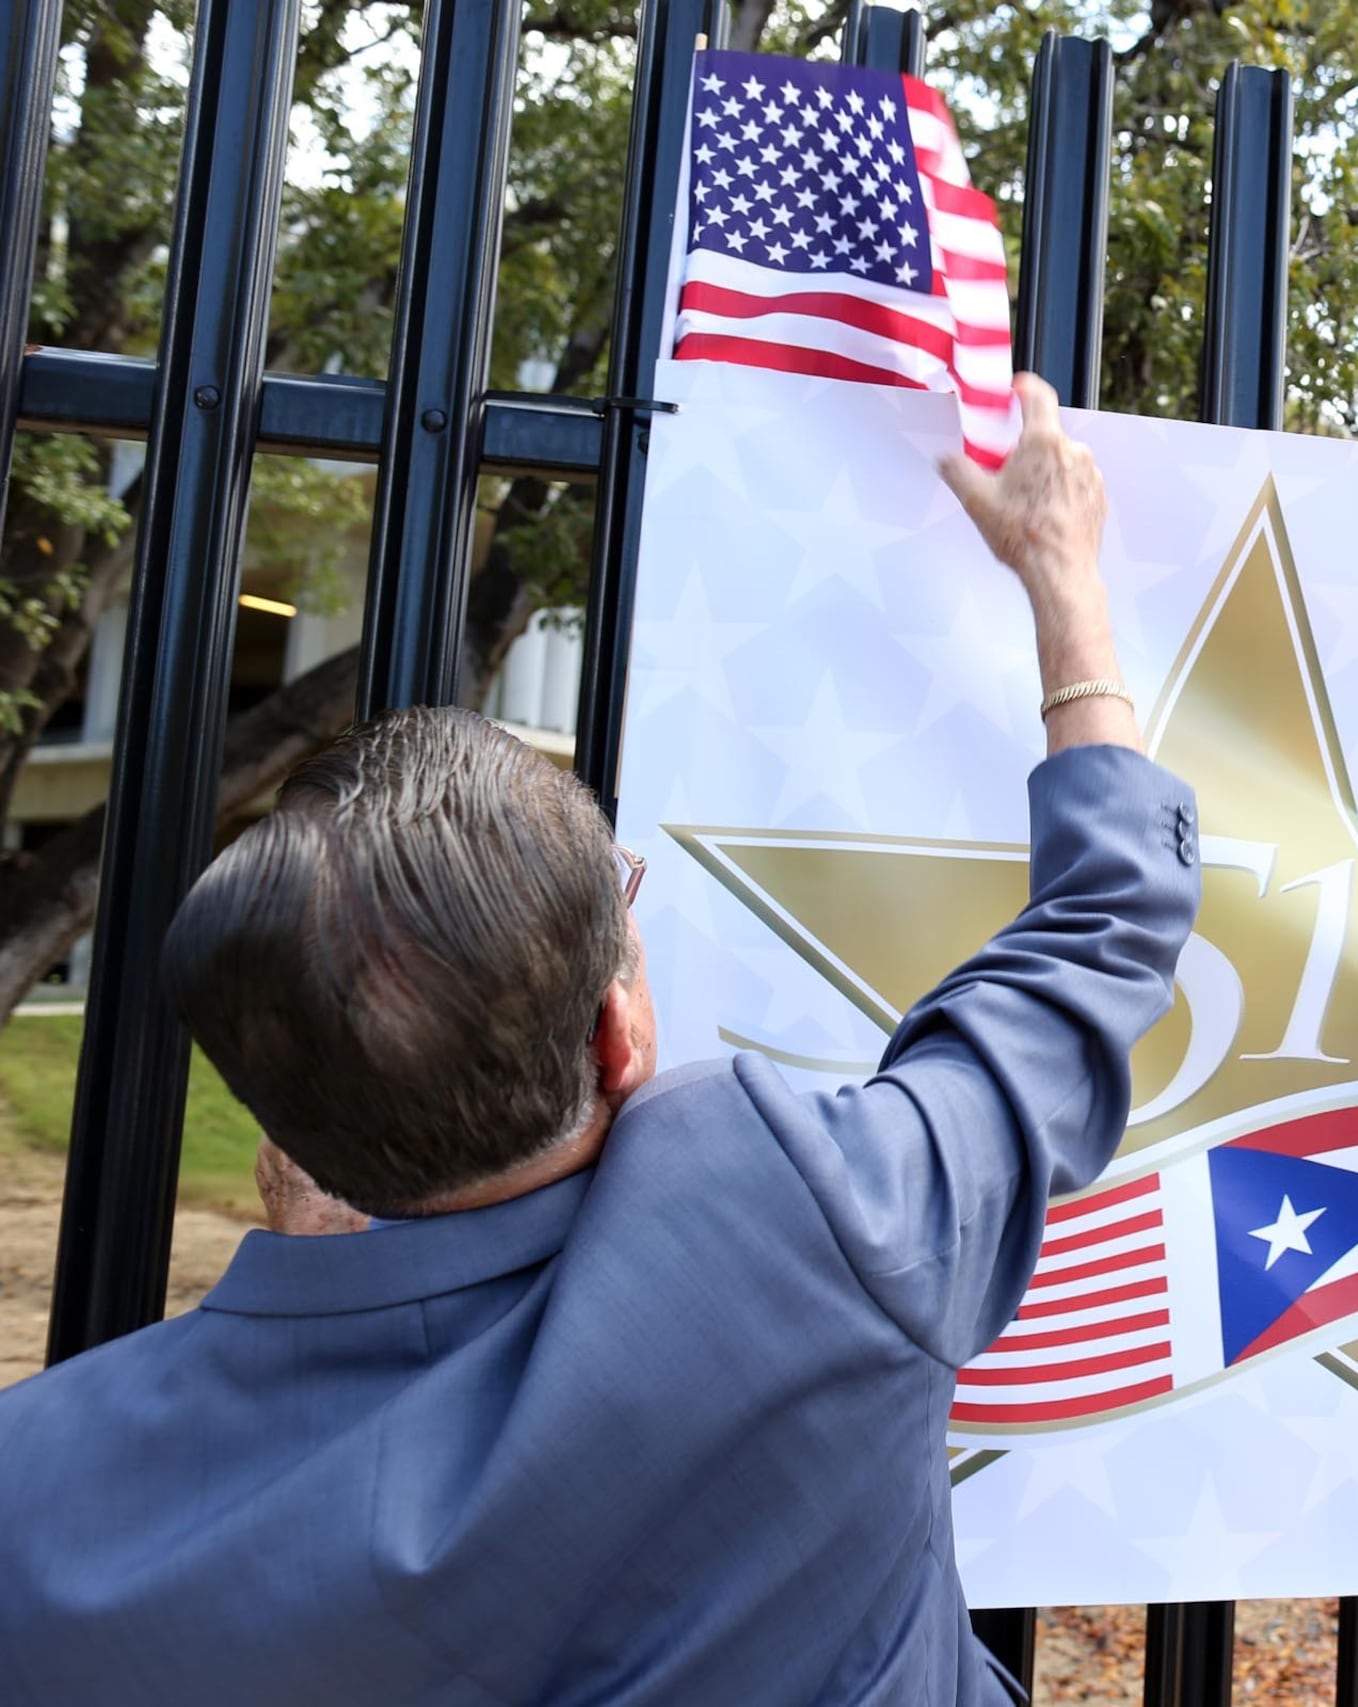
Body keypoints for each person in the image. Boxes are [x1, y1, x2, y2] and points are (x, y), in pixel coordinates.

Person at [0, 376, 1200, 1705]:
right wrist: (1063, 578)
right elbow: (1105, 928)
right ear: (617, 1032)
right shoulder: (813, 1223)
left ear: (289, 1132)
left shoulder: (41, 1504)